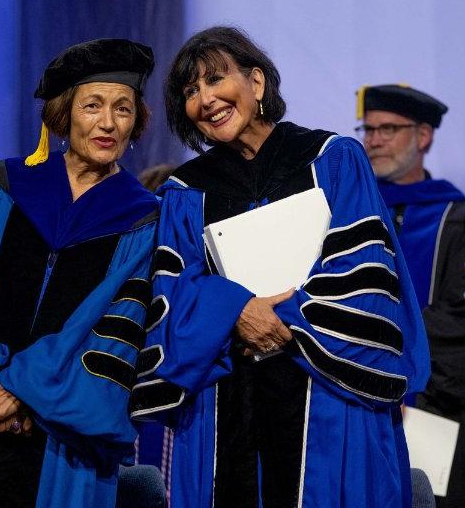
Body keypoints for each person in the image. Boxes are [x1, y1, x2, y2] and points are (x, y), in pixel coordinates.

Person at [129, 26, 430, 508]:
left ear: (257, 83)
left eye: (214, 79)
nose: (205, 98)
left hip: (328, 391)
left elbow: (366, 272)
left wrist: (281, 319)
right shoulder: (184, 193)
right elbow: (173, 291)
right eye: (190, 91)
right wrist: (237, 310)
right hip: (224, 400)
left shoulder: (331, 160)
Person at [0, 38, 159, 508]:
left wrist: (21, 387)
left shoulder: (144, 220)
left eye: (123, 109)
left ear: (136, 121)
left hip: (64, 439)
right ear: (63, 115)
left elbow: (116, 330)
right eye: (92, 106)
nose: (107, 122)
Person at [355, 84, 465, 508]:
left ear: (424, 136)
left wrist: (396, 372)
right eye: (368, 129)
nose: (374, 139)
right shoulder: (349, 215)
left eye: (388, 129)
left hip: (432, 414)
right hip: (353, 413)